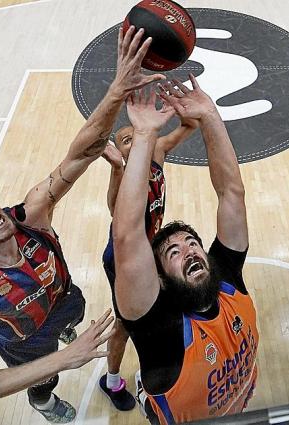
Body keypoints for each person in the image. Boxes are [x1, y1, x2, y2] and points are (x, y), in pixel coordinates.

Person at [0, 26, 164, 423]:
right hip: (27, 343)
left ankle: (64, 335)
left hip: (64, 300)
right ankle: (43, 402)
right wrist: (63, 359)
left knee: (73, 316)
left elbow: (83, 153)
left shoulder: (30, 215)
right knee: (44, 381)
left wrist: (117, 90)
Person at [111, 77, 259, 424]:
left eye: (192, 243)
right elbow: (127, 236)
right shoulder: (160, 330)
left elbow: (231, 193)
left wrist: (210, 114)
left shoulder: (227, 279)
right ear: (159, 280)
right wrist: (145, 135)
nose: (189, 250)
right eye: (173, 253)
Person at [98, 118, 198, 410]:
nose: (136, 141)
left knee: (170, 302)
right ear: (119, 153)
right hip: (123, 260)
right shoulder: (125, 176)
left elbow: (188, 126)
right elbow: (114, 205)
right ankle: (112, 380)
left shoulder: (156, 152)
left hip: (151, 251)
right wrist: (117, 168)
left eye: (138, 136)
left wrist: (185, 113)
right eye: (127, 141)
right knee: (125, 325)